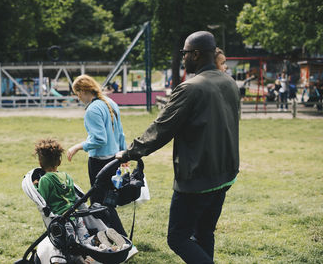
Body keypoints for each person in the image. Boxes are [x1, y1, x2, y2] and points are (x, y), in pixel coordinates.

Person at [116, 31, 239, 264]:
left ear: (196, 54)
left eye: (184, 53)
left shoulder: (190, 88)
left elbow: (161, 129)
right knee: (204, 233)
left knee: (178, 238)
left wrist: (129, 152)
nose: (182, 58)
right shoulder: (229, 83)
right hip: (225, 174)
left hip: (198, 177)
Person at [66, 74, 128, 238]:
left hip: (99, 162)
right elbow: (120, 133)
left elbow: (100, 139)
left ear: (82, 91)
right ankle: (110, 237)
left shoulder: (92, 110)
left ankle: (121, 239)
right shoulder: (110, 103)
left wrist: (78, 146)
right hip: (114, 159)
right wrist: (124, 155)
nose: (77, 97)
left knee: (100, 204)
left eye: (76, 93)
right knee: (104, 202)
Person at [34, 138, 90, 264]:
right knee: (83, 239)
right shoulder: (66, 176)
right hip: (75, 216)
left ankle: (66, 260)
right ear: (59, 161)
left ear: (40, 163)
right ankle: (90, 255)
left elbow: (43, 198)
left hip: (61, 220)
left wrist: (36, 185)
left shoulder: (45, 180)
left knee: (65, 243)